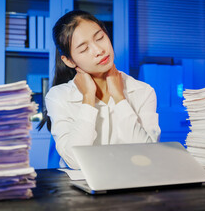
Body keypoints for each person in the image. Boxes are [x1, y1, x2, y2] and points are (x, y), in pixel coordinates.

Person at [39, 10, 161, 169]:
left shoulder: (143, 91)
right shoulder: (58, 96)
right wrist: (88, 98)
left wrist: (119, 98)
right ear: (69, 61)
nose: (99, 50)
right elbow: (75, 162)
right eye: (84, 49)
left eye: (100, 38)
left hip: (131, 184)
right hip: (78, 189)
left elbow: (148, 154)